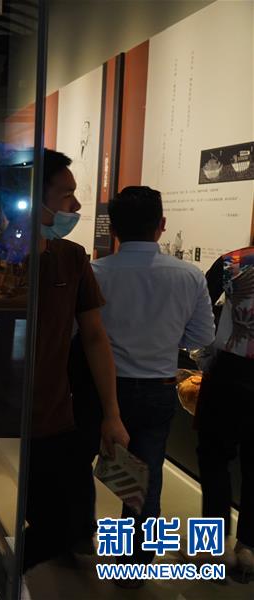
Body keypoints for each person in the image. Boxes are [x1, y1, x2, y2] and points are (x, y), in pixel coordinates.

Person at [91, 186, 214, 573]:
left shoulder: (96, 273)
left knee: (81, 461)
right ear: (161, 225)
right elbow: (202, 336)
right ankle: (135, 561)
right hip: (158, 388)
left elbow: (81, 336)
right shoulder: (189, 275)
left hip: (103, 388)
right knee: (148, 474)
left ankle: (74, 538)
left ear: (113, 228)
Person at [22, 149, 129, 572]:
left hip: (55, 415)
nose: (77, 205)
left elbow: (95, 338)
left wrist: (112, 414)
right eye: (66, 194)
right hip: (3, 415)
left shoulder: (72, 258)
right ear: (34, 197)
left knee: (60, 525)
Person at [197, 237, 254, 578]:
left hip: (230, 372)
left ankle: (214, 547)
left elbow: (201, 306)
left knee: (214, 458)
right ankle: (248, 548)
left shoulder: (233, 261)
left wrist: (204, 353)